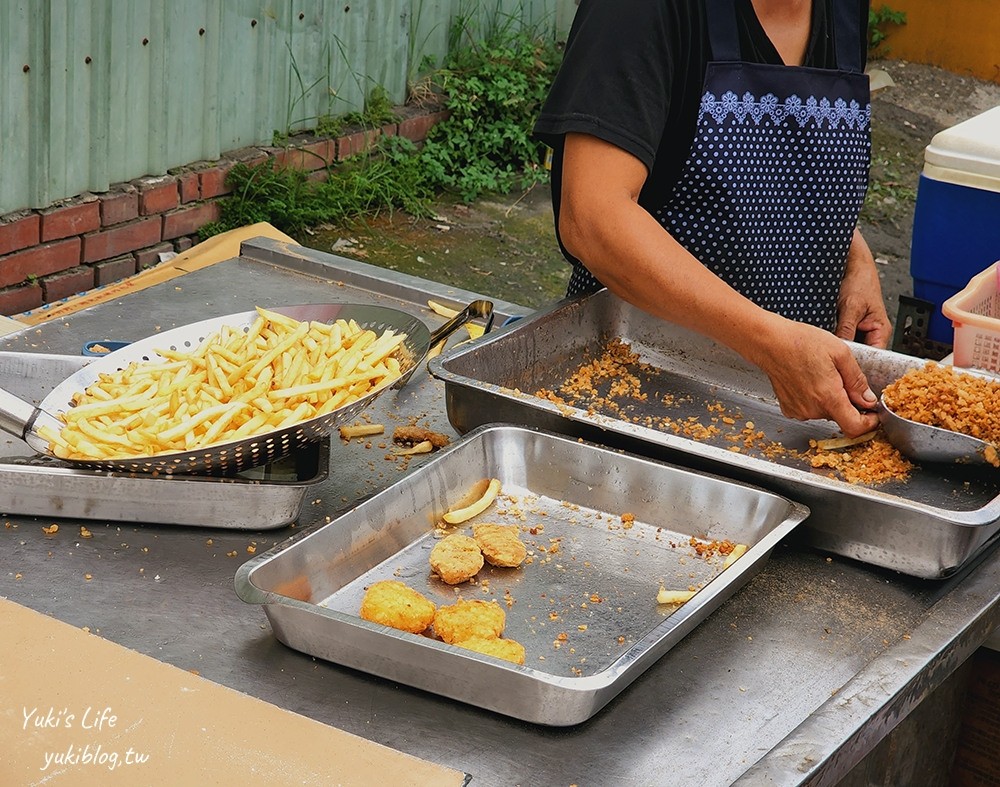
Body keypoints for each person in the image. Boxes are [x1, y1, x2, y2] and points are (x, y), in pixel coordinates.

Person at [533, 0, 891, 438]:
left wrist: (853, 255)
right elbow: (592, 217)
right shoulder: (640, 12)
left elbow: (777, 171)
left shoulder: (842, 10)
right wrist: (768, 343)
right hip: (636, 403)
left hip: (797, 419)